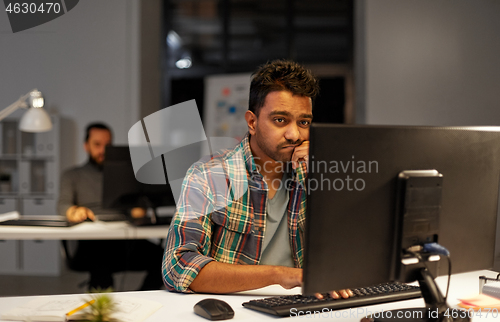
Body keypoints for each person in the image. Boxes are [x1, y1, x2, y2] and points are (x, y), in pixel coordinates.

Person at [162, 60, 352, 299]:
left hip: (305, 309)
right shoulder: (209, 176)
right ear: (252, 122)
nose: (295, 134)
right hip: (235, 312)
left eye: (304, 122)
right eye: (280, 120)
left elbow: (352, 251)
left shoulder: (316, 173)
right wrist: (280, 275)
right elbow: (178, 267)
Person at [58, 123, 164, 291]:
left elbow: (138, 206)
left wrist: (138, 208)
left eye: (107, 145)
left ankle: (139, 300)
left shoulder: (125, 175)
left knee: (165, 259)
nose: (102, 150)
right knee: (100, 264)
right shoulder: (72, 175)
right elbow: (63, 204)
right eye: (97, 144)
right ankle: (104, 312)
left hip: (123, 239)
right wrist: (74, 211)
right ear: (86, 145)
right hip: (92, 242)